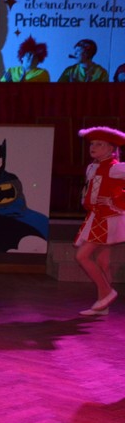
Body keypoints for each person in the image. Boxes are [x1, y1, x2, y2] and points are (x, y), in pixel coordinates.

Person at [74, 126, 125, 316]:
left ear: (111, 149)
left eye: (99, 144)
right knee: (103, 261)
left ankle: (107, 292)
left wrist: (116, 200)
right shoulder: (93, 167)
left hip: (107, 219)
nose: (93, 147)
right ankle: (103, 305)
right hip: (96, 216)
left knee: (82, 256)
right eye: (92, 144)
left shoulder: (117, 168)